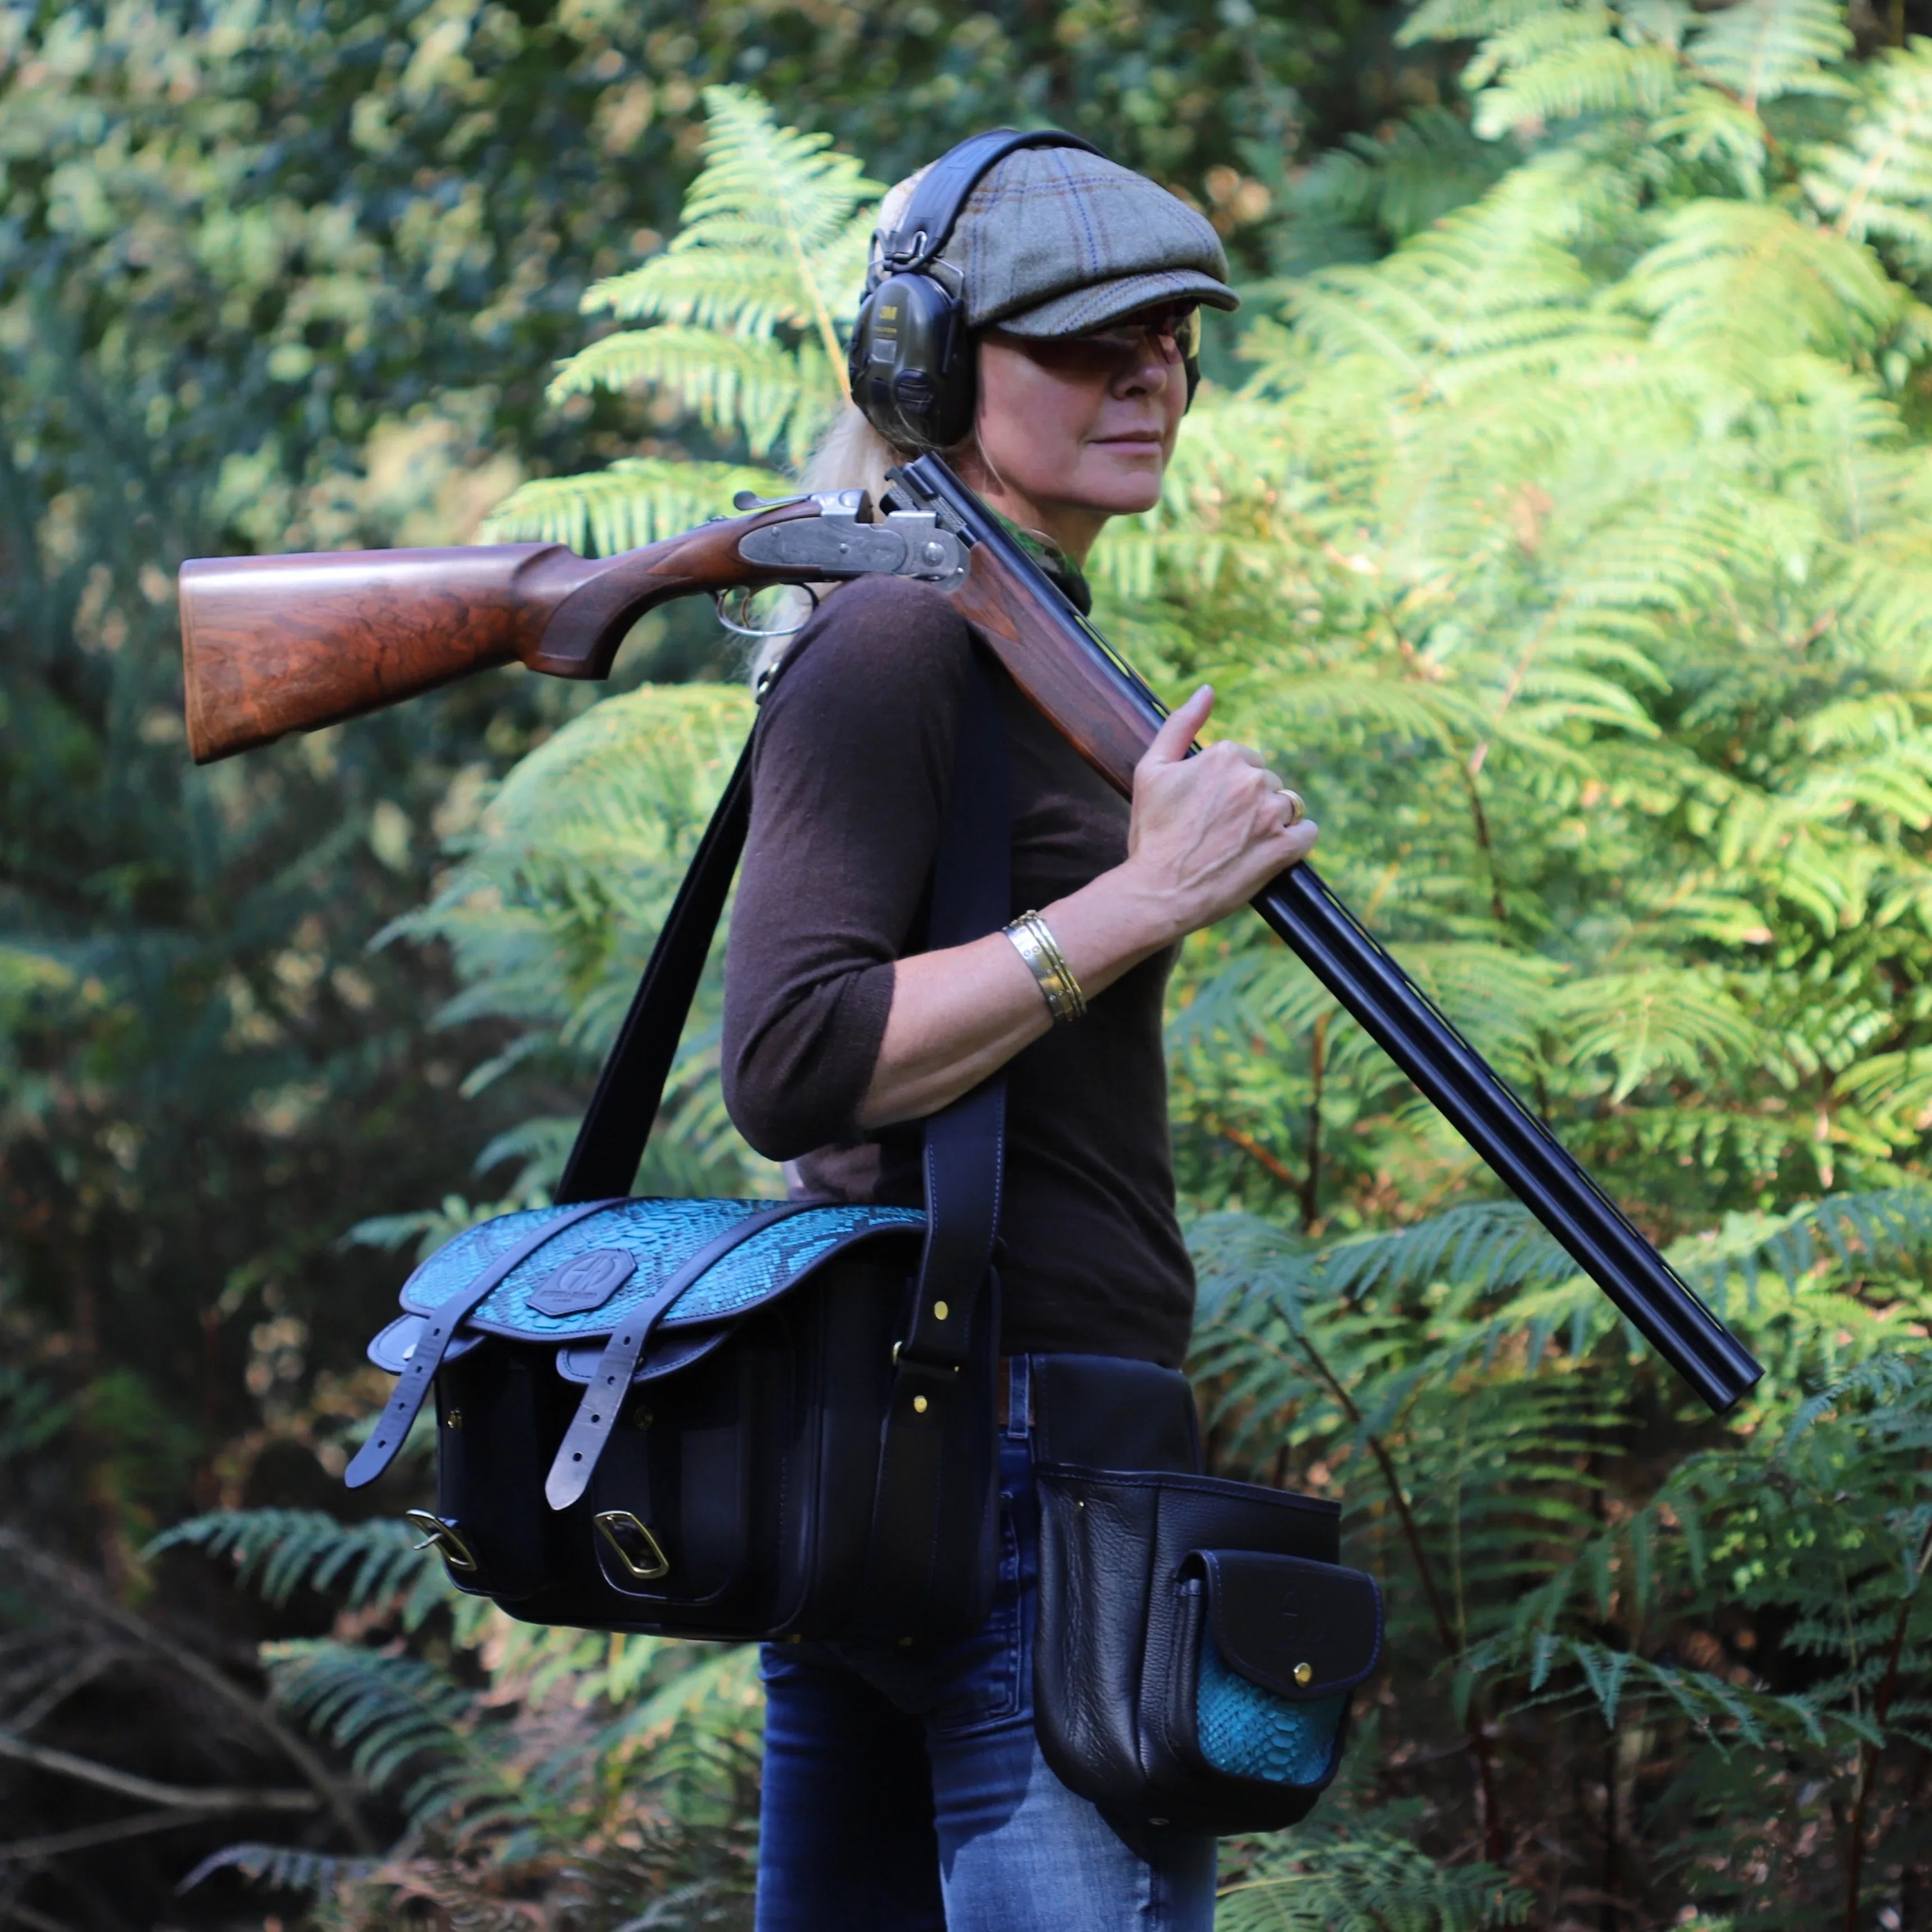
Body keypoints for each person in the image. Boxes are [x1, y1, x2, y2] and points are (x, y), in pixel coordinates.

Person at [721, 137, 1319, 1932]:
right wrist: (1136, 904)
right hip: (1007, 1473)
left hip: (939, 1456)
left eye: (1174, 338)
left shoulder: (1012, 635)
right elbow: (794, 1058)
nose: (1151, 375)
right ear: (921, 364)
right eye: (1086, 342)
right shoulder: (899, 638)